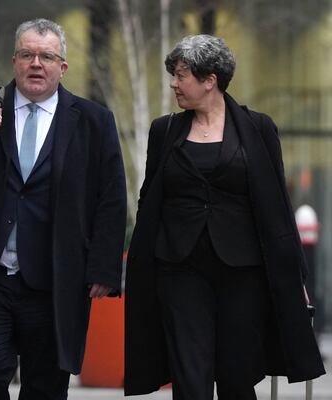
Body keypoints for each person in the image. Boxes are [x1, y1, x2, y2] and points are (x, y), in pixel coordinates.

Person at [0, 18, 126, 400]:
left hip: (55, 281)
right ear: (14, 60)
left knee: (47, 386)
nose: (36, 63)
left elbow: (111, 197)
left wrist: (103, 267)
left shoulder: (93, 121)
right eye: (27, 54)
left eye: (47, 56)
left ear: (62, 67)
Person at [124, 34, 325, 399]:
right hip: (179, 268)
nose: (174, 83)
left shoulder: (258, 128)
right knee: (190, 377)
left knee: (237, 375)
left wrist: (293, 271)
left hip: (242, 271)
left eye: (181, 75)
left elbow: (276, 203)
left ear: (209, 79)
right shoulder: (164, 130)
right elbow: (149, 199)